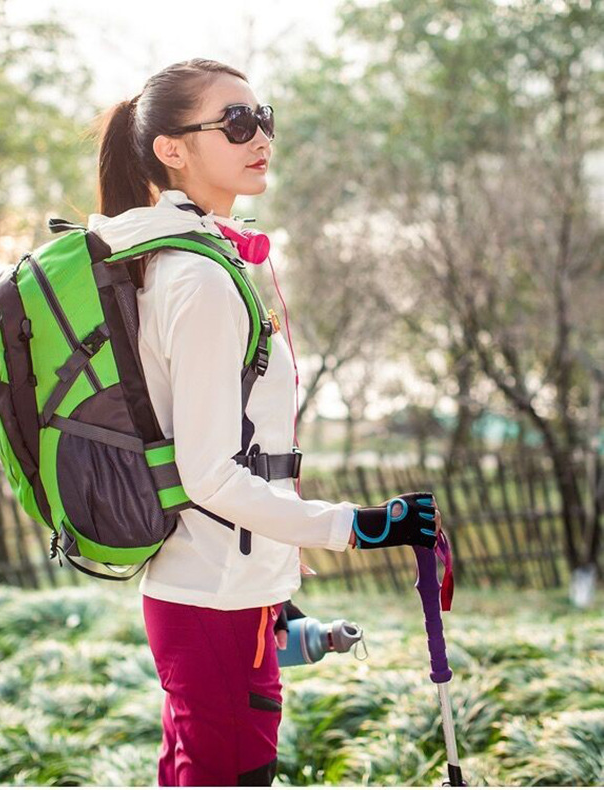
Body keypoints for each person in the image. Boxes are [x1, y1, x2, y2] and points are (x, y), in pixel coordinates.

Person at [87, 58, 439, 787]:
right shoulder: (198, 279)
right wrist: (358, 525)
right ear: (171, 150)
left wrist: (281, 607)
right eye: (236, 122)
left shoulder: (182, 261)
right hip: (210, 597)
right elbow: (211, 475)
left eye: (263, 118)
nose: (261, 137)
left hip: (219, 594)